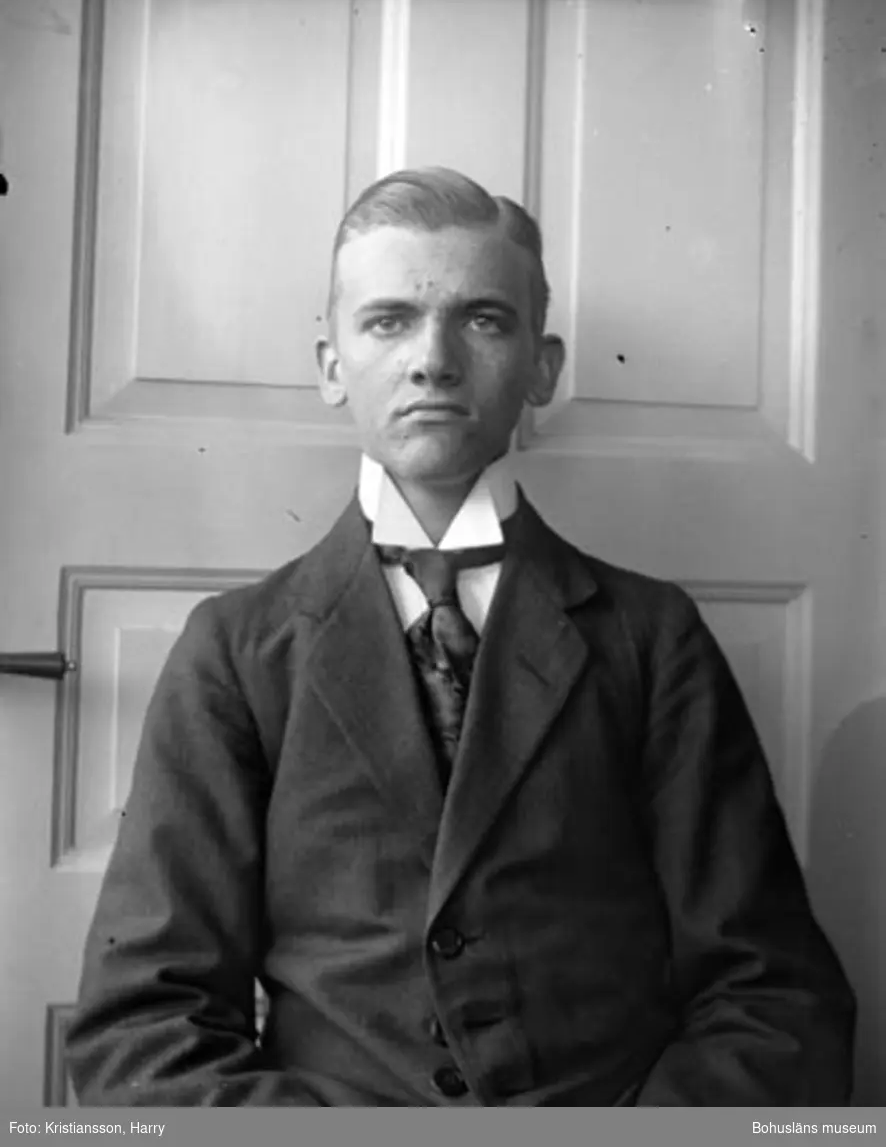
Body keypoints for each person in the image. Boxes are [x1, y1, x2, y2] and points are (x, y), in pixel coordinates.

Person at [66, 166, 856, 1107]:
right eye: (388, 321)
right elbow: (142, 1026)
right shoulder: (237, 651)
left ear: (543, 367)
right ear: (331, 366)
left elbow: (772, 993)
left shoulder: (649, 638)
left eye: (482, 320)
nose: (432, 360)